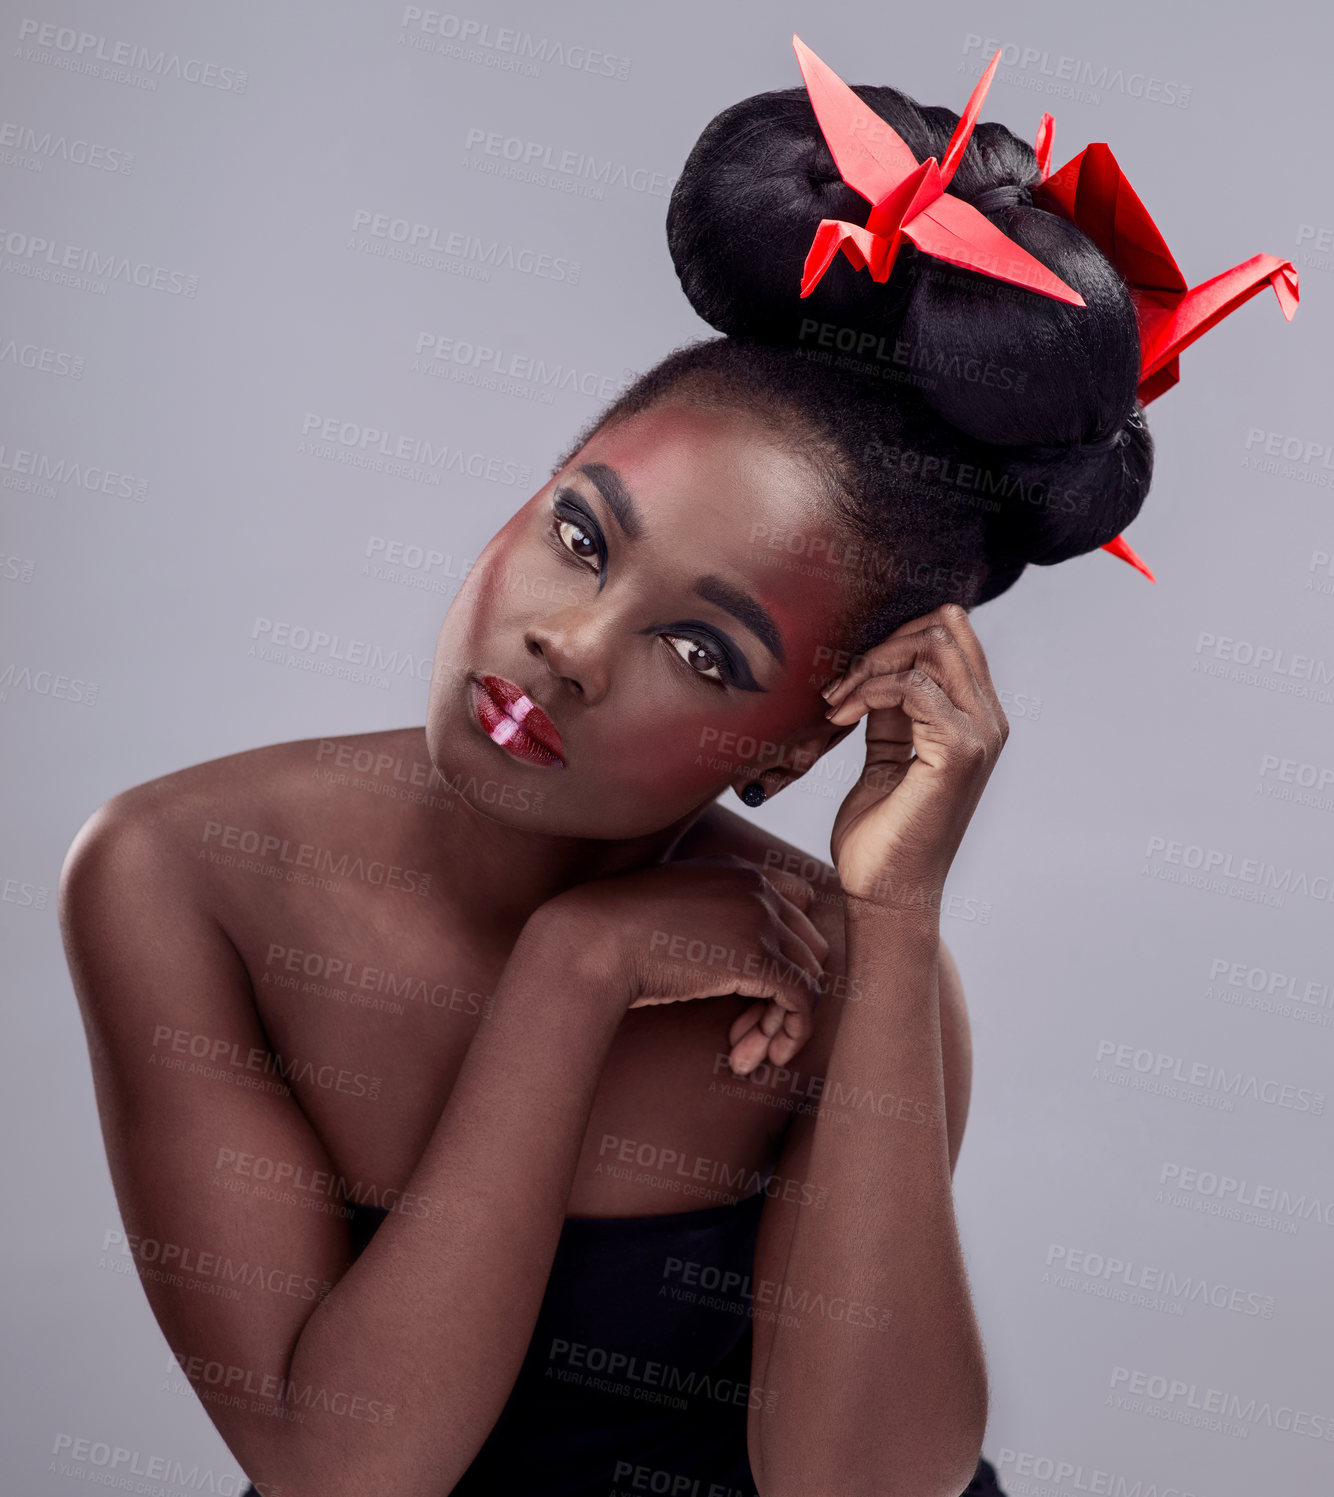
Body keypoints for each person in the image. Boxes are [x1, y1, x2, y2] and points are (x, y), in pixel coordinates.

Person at [57, 34, 1292, 1497]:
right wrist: (569, 980)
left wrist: (891, 927)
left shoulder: (839, 965)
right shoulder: (175, 870)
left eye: (704, 652)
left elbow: (865, 1488)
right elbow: (343, 1471)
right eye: (579, 533)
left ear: (798, 741)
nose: (568, 645)